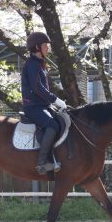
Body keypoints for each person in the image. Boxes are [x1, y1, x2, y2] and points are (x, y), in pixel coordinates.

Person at [21, 32, 67, 175]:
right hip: (33, 106)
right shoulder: (32, 64)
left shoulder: (40, 64)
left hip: (42, 105)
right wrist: (55, 100)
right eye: (45, 46)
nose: (48, 48)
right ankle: (42, 163)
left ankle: (54, 157)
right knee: (52, 125)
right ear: (37, 48)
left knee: (62, 120)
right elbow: (37, 88)